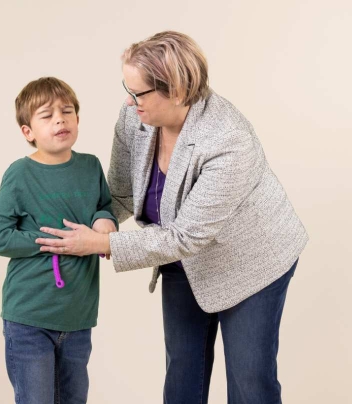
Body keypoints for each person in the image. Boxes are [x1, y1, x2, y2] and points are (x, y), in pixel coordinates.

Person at [36, 32, 309, 404]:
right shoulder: (135, 117)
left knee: (250, 382)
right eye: (126, 89)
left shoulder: (228, 140)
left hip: (250, 262)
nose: (129, 102)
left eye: (139, 93)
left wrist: (102, 244)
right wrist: (103, 221)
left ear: (177, 90)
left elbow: (185, 236)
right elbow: (121, 192)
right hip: (180, 258)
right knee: (182, 371)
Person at [0, 77, 117, 404]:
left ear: (77, 120)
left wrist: (104, 223)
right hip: (29, 317)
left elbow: (103, 206)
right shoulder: (19, 173)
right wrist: (52, 241)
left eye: (67, 111)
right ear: (28, 132)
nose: (60, 119)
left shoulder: (90, 166)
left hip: (79, 316)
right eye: (47, 115)